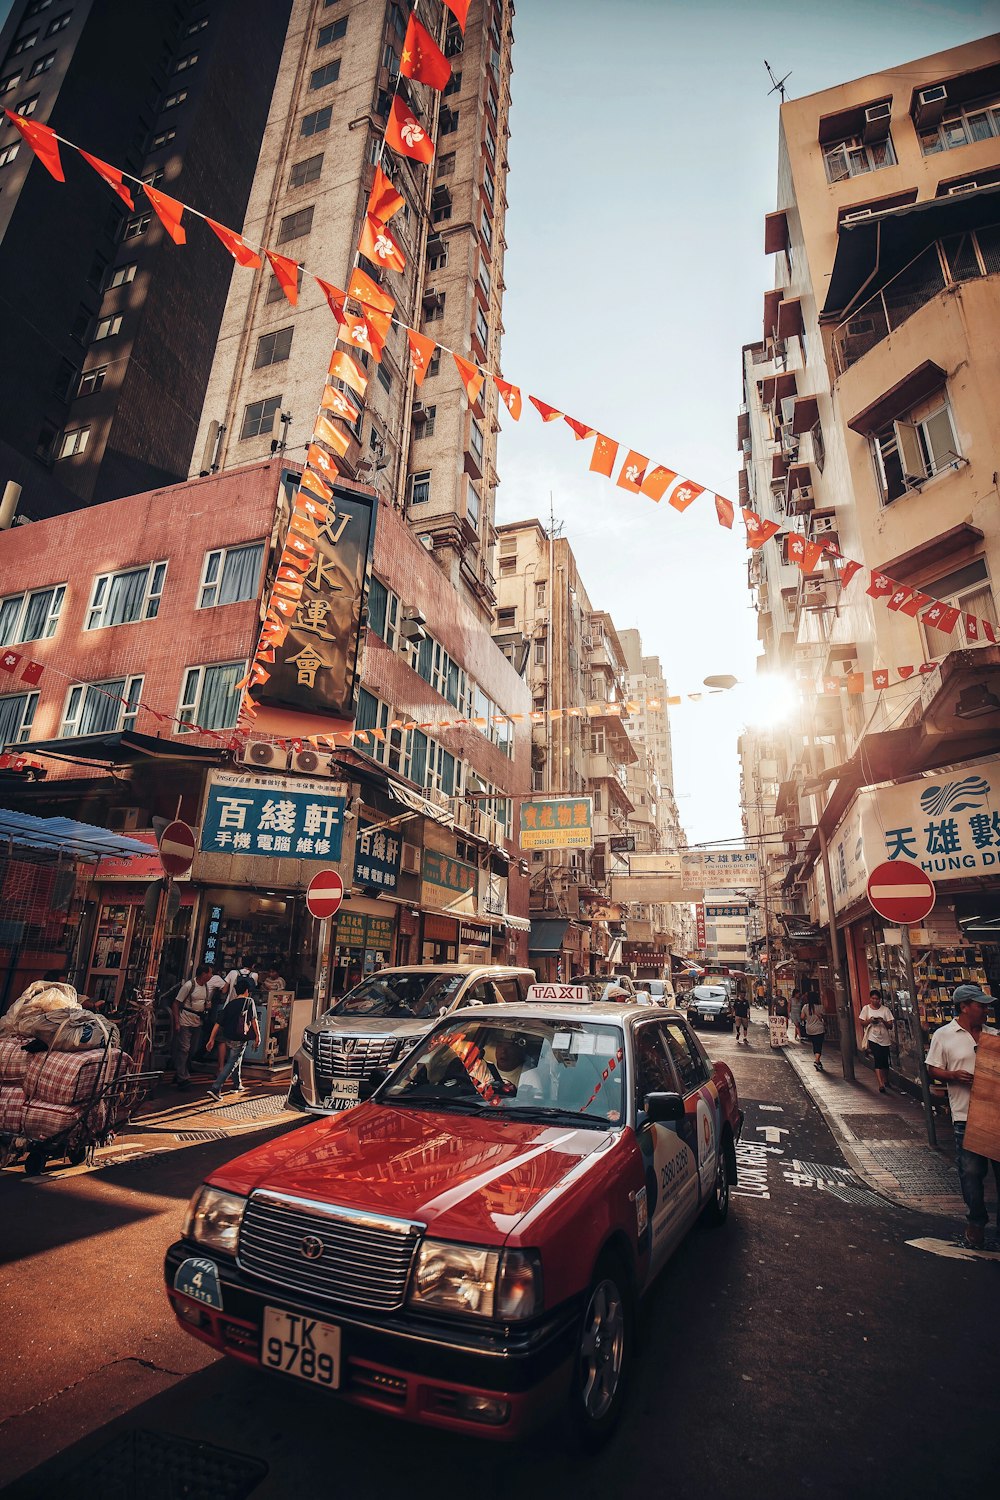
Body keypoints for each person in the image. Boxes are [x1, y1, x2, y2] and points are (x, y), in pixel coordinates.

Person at [926, 984, 999, 1251]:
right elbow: (933, 1068)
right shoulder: (944, 1035)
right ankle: (976, 1221)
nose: (986, 1010)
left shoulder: (994, 1035)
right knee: (971, 1172)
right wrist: (953, 1076)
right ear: (965, 1007)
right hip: (965, 1115)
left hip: (996, 1114)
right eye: (981, 1005)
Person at [206, 975, 261, 1101]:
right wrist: (258, 1036)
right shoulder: (249, 1002)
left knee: (236, 1058)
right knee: (232, 1062)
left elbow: (218, 1023)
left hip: (228, 1037)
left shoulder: (230, 1004)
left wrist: (211, 1039)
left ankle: (237, 1084)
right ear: (247, 991)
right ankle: (216, 1087)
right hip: (239, 1037)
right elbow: (254, 1020)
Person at [171, 965, 213, 1090]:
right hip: (186, 1020)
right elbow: (176, 1004)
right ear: (203, 974)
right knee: (184, 1049)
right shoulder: (189, 986)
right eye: (210, 973)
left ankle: (180, 1072)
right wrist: (177, 1022)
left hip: (197, 1022)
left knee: (192, 1050)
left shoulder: (206, 987)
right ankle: (182, 1078)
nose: (211, 976)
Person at [860, 988, 895, 1093]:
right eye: (873, 998)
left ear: (880, 1000)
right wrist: (870, 1020)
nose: (875, 1001)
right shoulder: (866, 1009)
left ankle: (886, 1079)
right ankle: (880, 1084)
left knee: (885, 1061)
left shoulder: (885, 1010)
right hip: (873, 1038)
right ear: (870, 999)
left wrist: (882, 1021)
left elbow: (890, 1026)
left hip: (884, 1038)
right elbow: (862, 1023)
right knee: (878, 1059)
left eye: (877, 999)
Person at [800, 991, 826, 1071]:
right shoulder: (820, 1007)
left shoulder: (805, 1007)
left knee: (815, 1044)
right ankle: (817, 1061)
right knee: (819, 1045)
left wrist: (808, 1018)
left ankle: (818, 1061)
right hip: (819, 1029)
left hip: (810, 1029)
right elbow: (824, 1016)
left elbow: (802, 1017)